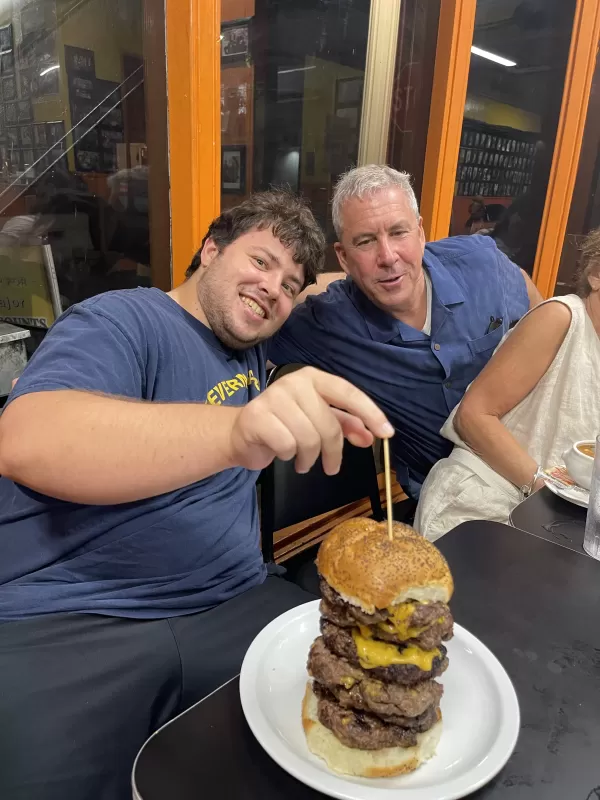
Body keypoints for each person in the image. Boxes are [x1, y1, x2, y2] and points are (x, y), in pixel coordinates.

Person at [0, 189, 394, 800]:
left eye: (290, 285)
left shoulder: (257, 343)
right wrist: (237, 431)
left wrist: (385, 256)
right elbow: (28, 438)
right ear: (209, 250)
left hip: (235, 604)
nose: (274, 289)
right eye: (260, 262)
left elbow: (326, 284)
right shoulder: (122, 320)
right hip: (74, 617)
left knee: (367, 743)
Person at [268, 165, 542, 500]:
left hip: (535, 463)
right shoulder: (327, 321)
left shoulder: (480, 262)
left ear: (421, 233)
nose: (387, 256)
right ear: (343, 257)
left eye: (399, 233)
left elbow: (535, 306)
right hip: (446, 500)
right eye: (366, 242)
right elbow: (249, 329)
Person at [414, 227, 600, 540]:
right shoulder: (562, 319)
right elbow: (473, 416)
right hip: (482, 506)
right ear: (595, 274)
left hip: (554, 526)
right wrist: (544, 490)